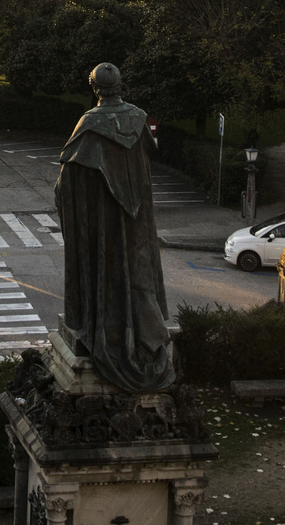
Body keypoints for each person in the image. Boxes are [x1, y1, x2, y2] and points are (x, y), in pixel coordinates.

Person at [54, 62, 173, 393]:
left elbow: (69, 181)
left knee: (106, 269)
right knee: (136, 269)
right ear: (120, 85)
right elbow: (145, 162)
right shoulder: (138, 119)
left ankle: (108, 328)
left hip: (102, 221)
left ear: (95, 88)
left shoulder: (90, 125)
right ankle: (142, 329)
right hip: (136, 223)